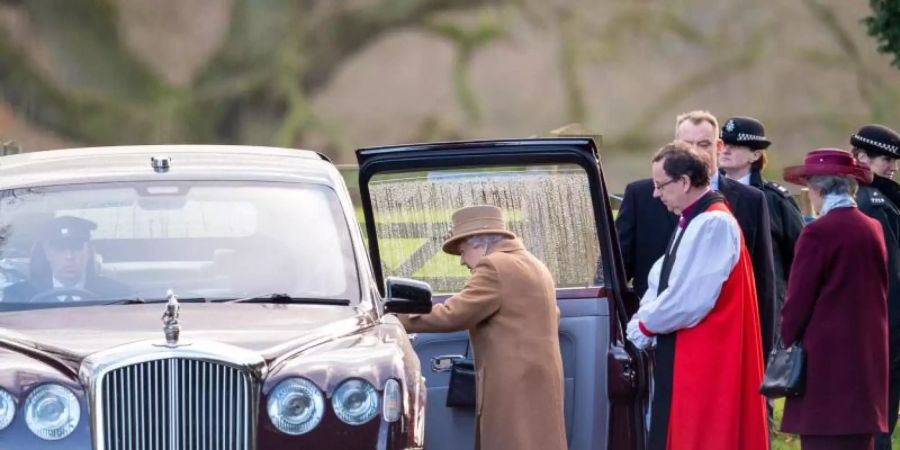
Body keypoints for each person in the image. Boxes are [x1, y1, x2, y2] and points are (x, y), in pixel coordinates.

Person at [626, 141, 768, 450]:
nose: (655, 193)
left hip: (707, 356)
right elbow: (661, 276)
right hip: (693, 353)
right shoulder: (693, 219)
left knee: (701, 437)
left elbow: (689, 299)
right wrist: (645, 315)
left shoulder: (713, 222)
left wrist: (642, 327)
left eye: (660, 185)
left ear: (685, 182)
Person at [397, 205, 566, 450]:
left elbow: (453, 314)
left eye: (463, 251)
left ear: (478, 244)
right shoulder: (534, 264)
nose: (463, 261)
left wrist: (399, 319)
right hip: (539, 382)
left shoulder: (494, 267)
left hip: (511, 385)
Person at [616, 110, 777, 358]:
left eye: (703, 144)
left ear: (719, 146)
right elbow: (618, 270)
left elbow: (762, 283)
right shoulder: (640, 195)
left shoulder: (743, 203)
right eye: (686, 145)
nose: (695, 152)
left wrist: (761, 353)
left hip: (715, 342)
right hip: (653, 342)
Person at [779, 148, 888, 450]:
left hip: (825, 367)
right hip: (866, 362)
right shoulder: (872, 228)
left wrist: (785, 337)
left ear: (817, 190)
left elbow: (798, 300)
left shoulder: (817, 233)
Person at [719, 116, 804, 344]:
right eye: (723, 144)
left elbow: (799, 257)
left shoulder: (775, 201)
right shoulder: (706, 194)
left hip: (763, 309)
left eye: (735, 146)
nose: (725, 150)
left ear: (755, 155)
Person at [850, 124, 900, 450]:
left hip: (887, 326)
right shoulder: (871, 202)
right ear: (862, 158)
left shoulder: (885, 199)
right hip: (883, 326)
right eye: (886, 160)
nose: (893, 167)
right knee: (877, 422)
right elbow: (887, 272)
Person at [3, 216, 130, 302]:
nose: (69, 256)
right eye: (60, 248)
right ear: (47, 253)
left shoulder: (117, 294)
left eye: (76, 247)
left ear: (88, 252)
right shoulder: (19, 296)